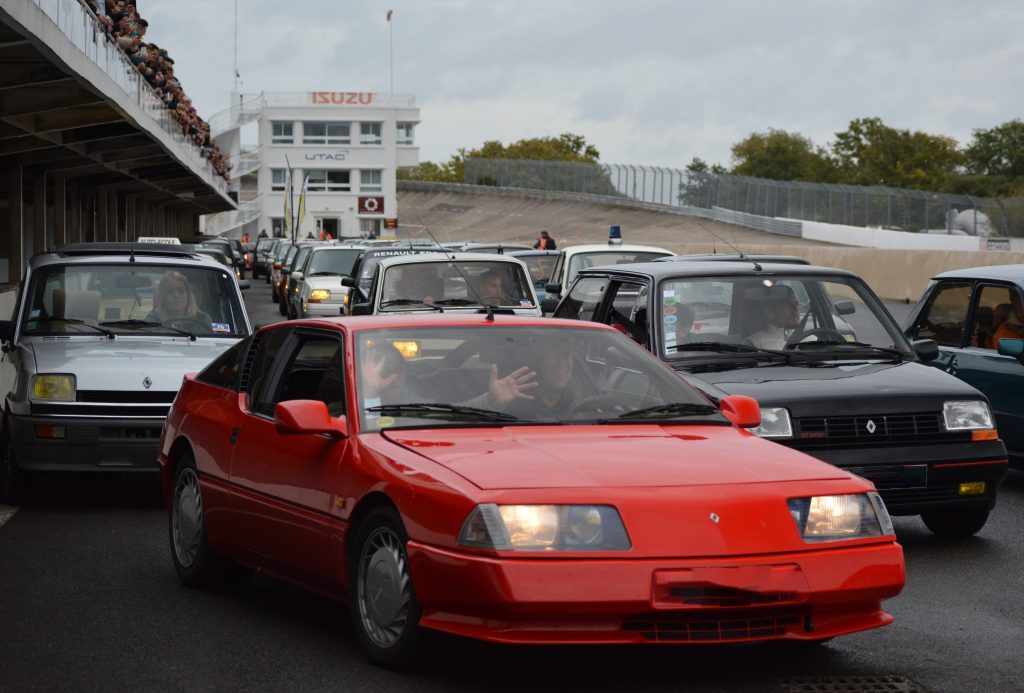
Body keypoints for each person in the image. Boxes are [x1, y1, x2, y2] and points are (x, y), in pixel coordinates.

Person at [146, 271, 212, 329]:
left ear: (188, 295)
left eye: (181, 290)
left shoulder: (202, 321)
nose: (176, 295)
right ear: (163, 298)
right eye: (170, 291)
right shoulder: (153, 320)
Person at [747, 285, 801, 350]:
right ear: (769, 310)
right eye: (788, 304)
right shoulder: (754, 343)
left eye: (796, 303)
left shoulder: (811, 339)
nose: (795, 308)